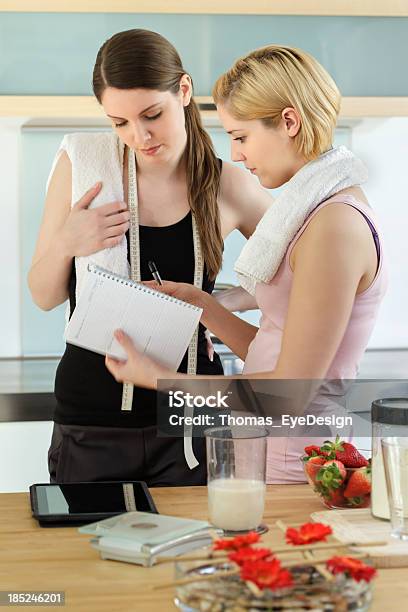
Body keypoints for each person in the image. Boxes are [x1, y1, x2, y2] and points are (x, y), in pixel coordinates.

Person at [106, 44, 388, 483]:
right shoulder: (320, 213)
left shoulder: (334, 226)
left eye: (240, 136)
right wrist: (205, 306)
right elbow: (276, 353)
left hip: (293, 461)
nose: (236, 155)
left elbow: (288, 396)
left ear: (289, 122)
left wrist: (163, 384)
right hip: (275, 450)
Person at [28, 29, 272, 486]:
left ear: (183, 90)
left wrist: (217, 306)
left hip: (192, 421)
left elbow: (298, 272)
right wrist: (66, 242)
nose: (138, 136)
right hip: (91, 419)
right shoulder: (82, 165)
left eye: (151, 115)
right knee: (84, 555)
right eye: (119, 122)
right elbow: (43, 295)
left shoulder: (229, 185)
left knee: (199, 555)